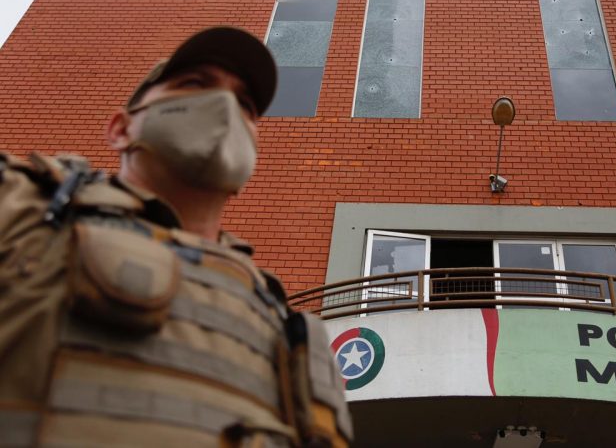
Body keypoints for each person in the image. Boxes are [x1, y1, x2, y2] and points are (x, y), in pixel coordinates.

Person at [0, 27, 352, 447]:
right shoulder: (22, 204)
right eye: (194, 84)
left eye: (245, 104)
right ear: (120, 129)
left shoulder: (277, 316)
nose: (224, 107)